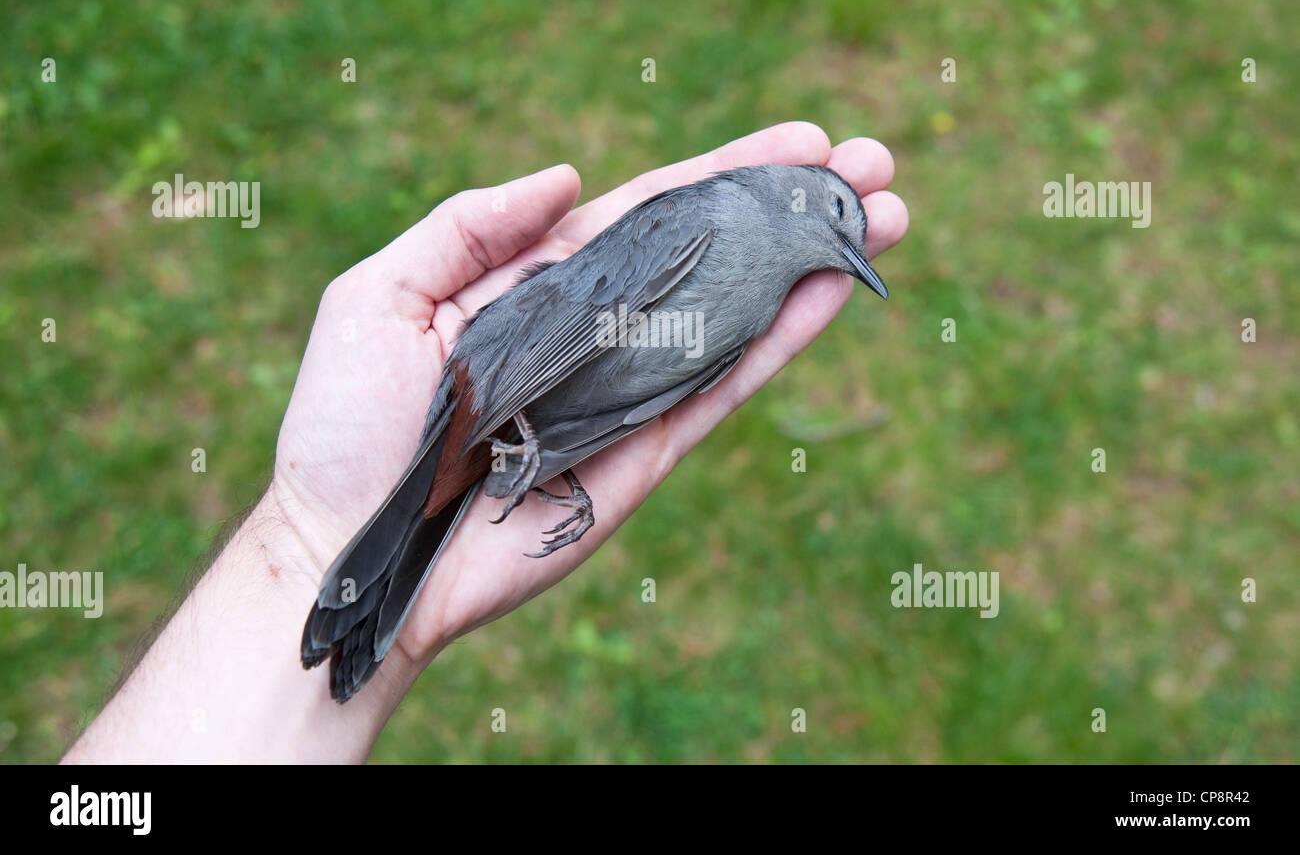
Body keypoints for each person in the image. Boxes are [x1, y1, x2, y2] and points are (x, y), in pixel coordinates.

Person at [62, 123, 908, 763]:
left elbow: (657, 394)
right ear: (792, 189)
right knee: (440, 480)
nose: (844, 246)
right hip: (511, 367)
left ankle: (366, 603)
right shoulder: (715, 211)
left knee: (450, 498)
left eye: (851, 247)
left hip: (533, 414)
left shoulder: (762, 304)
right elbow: (580, 317)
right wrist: (500, 430)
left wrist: (545, 452)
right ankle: (369, 559)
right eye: (839, 215)